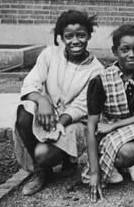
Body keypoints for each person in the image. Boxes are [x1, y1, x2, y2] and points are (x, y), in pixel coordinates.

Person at [14, 10, 104, 196]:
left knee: (43, 154)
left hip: (72, 121)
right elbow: (31, 83)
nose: (75, 41)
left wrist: (59, 124)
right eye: (69, 36)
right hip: (45, 114)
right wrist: (41, 100)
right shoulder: (49, 55)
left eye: (81, 35)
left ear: (88, 35)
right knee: (25, 111)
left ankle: (65, 158)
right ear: (61, 37)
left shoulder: (97, 70)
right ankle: (41, 172)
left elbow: (81, 105)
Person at [84, 23, 134, 202]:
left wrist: (117, 124)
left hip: (129, 125)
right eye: (125, 49)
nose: (132, 55)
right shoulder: (101, 80)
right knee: (129, 151)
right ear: (115, 51)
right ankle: (125, 163)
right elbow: (91, 127)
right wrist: (95, 173)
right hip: (109, 132)